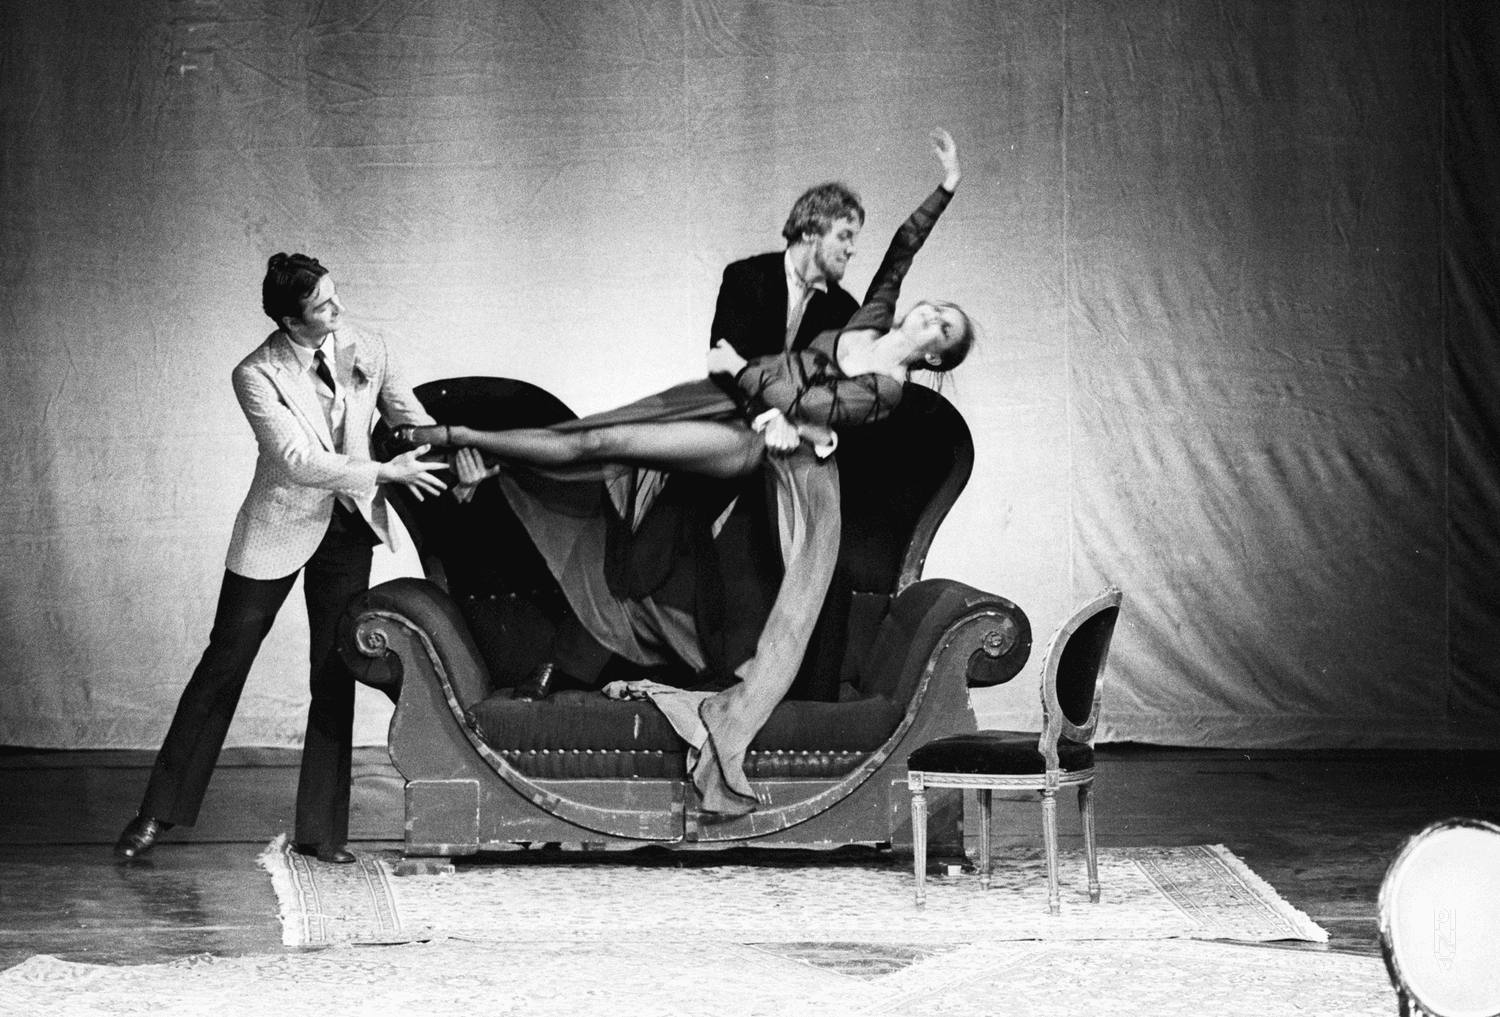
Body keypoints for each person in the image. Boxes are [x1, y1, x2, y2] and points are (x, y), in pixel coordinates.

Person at [403, 128, 969, 814]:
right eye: (845, 237)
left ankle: (721, 715)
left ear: (937, 357)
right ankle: (465, 441)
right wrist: (945, 186)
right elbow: (900, 250)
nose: (852, 252)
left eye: (943, 330)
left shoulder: (879, 368)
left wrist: (769, 392)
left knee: (761, 595)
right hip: (732, 428)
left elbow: (807, 401)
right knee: (607, 443)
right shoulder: (840, 304)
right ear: (814, 228)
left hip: (784, 462)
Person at [114, 254, 449, 863]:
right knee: (225, 662)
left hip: (346, 529)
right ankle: (156, 813)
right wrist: (380, 470)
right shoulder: (256, 374)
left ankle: (322, 834)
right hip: (275, 529)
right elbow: (296, 460)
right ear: (292, 321)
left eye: (335, 295)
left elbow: (408, 417)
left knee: (334, 670)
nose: (338, 310)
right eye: (323, 305)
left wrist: (454, 446)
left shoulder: (366, 346)